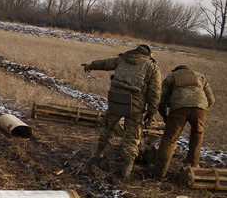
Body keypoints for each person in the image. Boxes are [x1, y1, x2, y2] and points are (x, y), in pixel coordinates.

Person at [81, 44, 162, 179]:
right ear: (149, 54)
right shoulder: (152, 66)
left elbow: (106, 63)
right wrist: (152, 112)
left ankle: (99, 153)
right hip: (136, 105)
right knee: (132, 135)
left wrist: (91, 65)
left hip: (116, 99)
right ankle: (127, 167)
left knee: (108, 126)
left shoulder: (123, 59)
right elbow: (155, 92)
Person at [152, 65, 215, 179]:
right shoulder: (200, 76)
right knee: (197, 135)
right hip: (200, 108)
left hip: (178, 108)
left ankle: (159, 173)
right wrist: (201, 108)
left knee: (169, 140)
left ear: (176, 71)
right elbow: (211, 99)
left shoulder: (171, 77)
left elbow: (160, 100)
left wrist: (164, 115)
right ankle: (192, 169)